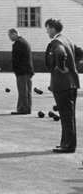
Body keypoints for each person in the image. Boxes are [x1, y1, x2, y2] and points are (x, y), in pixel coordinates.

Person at [45, 18, 82, 153]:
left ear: (53, 28)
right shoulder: (68, 40)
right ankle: (66, 143)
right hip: (72, 82)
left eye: (47, 28)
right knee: (69, 115)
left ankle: (68, 145)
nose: (47, 31)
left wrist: (61, 68)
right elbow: (80, 52)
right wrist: (72, 65)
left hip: (62, 83)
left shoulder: (57, 42)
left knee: (66, 115)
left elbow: (60, 53)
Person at [8, 28, 34, 115]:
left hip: (22, 70)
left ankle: (22, 109)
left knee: (22, 90)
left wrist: (15, 70)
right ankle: (27, 108)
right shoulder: (24, 41)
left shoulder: (18, 43)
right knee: (27, 90)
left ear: (14, 33)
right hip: (27, 70)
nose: (10, 38)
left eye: (10, 35)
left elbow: (16, 59)